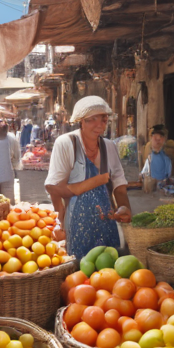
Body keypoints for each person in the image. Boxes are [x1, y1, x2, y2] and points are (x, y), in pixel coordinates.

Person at [45, 96, 132, 259]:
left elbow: (119, 183)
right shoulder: (66, 143)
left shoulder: (109, 146)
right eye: (92, 120)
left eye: (104, 120)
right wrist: (59, 223)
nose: (99, 125)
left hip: (105, 223)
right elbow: (53, 186)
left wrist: (124, 207)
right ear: (81, 121)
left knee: (107, 272)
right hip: (74, 226)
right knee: (78, 274)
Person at [141, 124, 172, 192]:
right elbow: (144, 172)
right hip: (151, 186)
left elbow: (168, 174)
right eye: (155, 137)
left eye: (160, 137)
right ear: (151, 138)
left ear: (164, 139)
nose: (158, 140)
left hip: (163, 186)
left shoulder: (166, 159)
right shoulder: (149, 158)